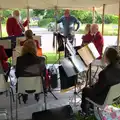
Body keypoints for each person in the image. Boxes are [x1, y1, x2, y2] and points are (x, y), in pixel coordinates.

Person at [80, 47, 120, 115]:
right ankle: (91, 108)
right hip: (115, 96)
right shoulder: (118, 66)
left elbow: (96, 91)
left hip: (103, 99)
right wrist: (96, 84)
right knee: (92, 86)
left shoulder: (104, 73)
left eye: (104, 55)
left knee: (85, 90)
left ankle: (85, 111)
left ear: (107, 58)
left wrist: (93, 86)